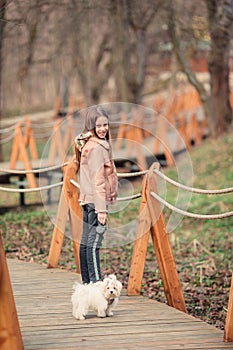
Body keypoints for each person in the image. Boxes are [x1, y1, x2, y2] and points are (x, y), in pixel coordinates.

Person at [75, 106, 118, 284]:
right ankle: (95, 285)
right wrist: (101, 210)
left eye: (105, 125)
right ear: (90, 126)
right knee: (93, 246)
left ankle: (86, 286)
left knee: (86, 243)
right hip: (95, 203)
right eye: (98, 126)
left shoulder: (87, 144)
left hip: (87, 200)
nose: (103, 129)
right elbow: (98, 180)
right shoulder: (97, 148)